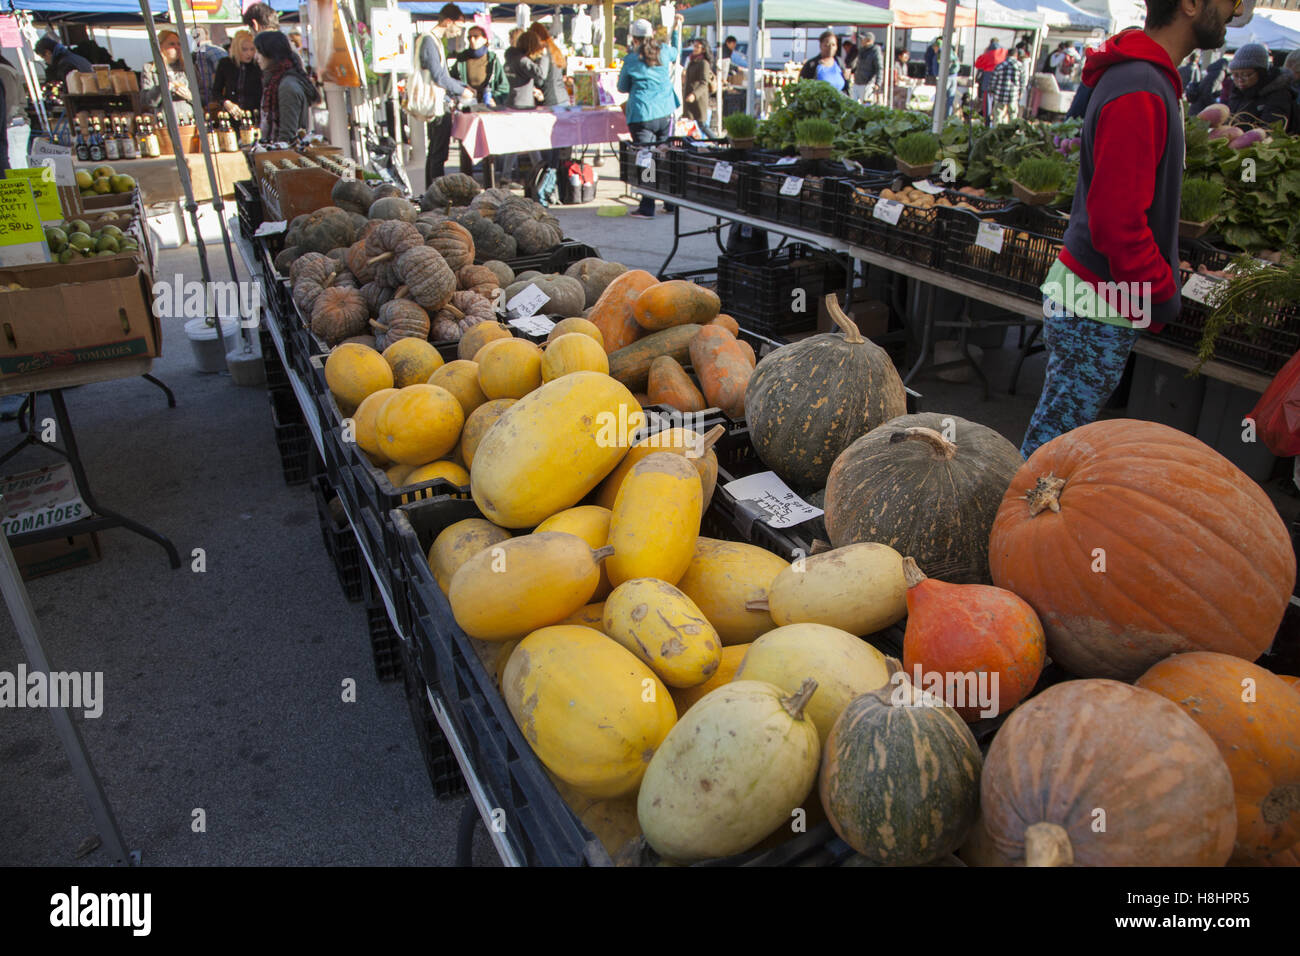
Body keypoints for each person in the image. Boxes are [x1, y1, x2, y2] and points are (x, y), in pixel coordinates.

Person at [1022, 0, 1247, 458]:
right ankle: (1007, 527)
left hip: (1097, 293)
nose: (1234, 10)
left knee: (1057, 437)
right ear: (1189, 4)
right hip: (1097, 298)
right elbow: (1116, 220)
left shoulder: (1144, 77)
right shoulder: (1140, 84)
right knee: (1051, 449)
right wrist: (1162, 290)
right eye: (1229, 2)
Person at [619, 16, 682, 219]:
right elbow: (677, 51)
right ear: (651, 34)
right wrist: (675, 30)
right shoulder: (663, 51)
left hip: (642, 113)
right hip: (665, 111)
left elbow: (622, 87)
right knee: (665, 155)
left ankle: (647, 206)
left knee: (646, 158)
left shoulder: (631, 59)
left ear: (635, 39)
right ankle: (670, 203)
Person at [418, 5, 473, 187]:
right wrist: (461, 90)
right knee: (438, 153)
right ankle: (435, 194)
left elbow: (443, 76)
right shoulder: (429, 41)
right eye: (457, 27)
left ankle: (433, 192)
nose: (457, 33)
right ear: (448, 22)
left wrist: (463, 86)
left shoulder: (434, 41)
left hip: (439, 102)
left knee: (437, 151)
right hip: (435, 104)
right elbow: (439, 76)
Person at [254, 29, 320, 142]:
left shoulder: (287, 86)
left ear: (271, 53)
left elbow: (288, 135)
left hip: (287, 155)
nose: (256, 57)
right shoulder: (276, 80)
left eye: (259, 52)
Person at [1226, 43, 1294, 130]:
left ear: (1261, 73)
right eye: (1235, 75)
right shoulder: (1237, 93)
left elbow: (1270, 131)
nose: (1240, 80)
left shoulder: (1278, 96)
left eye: (1246, 74)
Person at [141, 30, 195, 125]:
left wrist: (191, 97)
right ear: (160, 47)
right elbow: (148, 101)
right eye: (172, 44)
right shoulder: (150, 68)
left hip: (189, 120)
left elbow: (205, 95)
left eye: (179, 44)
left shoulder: (188, 67)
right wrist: (162, 87)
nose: (177, 47)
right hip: (165, 122)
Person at [451, 25, 508, 106]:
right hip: (467, 104)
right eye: (469, 37)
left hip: (487, 106)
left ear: (485, 39)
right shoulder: (461, 59)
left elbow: (504, 86)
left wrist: (495, 99)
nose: (472, 40)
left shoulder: (492, 59)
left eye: (476, 36)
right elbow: (452, 80)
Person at [212, 29, 263, 119]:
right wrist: (226, 102)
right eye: (244, 50)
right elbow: (216, 91)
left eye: (252, 49)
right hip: (232, 115)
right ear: (237, 49)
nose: (249, 53)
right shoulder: (226, 64)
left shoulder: (258, 66)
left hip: (255, 116)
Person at [504, 28, 546, 109]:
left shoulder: (510, 58)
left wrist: (531, 89)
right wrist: (545, 55)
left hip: (510, 102)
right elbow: (541, 74)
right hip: (523, 105)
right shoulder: (522, 60)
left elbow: (517, 78)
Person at [530, 21, 569, 107]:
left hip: (550, 100)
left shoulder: (543, 53)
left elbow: (540, 78)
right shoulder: (555, 50)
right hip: (563, 98)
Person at [189, 25, 227, 110]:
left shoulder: (203, 51)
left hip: (213, 99)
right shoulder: (219, 49)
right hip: (219, 98)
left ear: (206, 35)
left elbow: (221, 76)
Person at [990, 44, 1028, 124]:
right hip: (1013, 95)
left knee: (998, 116)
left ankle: (996, 132)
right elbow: (1023, 81)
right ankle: (1011, 133)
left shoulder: (1000, 65)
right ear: (1016, 55)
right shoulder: (1020, 66)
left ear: (1007, 54)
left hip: (1000, 94)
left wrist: (992, 90)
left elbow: (993, 79)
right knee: (1013, 116)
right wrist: (1021, 92)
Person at [974, 38, 1007, 120]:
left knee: (987, 103)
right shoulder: (1005, 53)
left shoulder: (987, 53)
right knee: (999, 104)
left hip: (988, 80)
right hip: (1000, 81)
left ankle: (987, 122)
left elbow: (977, 64)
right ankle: (997, 121)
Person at [683, 38, 715, 123]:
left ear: (703, 49)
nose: (694, 49)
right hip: (689, 99)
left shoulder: (704, 63)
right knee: (690, 128)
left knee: (701, 126)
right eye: (694, 46)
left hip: (698, 100)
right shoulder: (692, 61)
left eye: (697, 47)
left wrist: (694, 95)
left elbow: (704, 83)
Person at [852, 31, 882, 103]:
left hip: (868, 84)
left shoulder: (875, 50)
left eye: (863, 39)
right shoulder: (861, 50)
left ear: (869, 40)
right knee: (853, 105)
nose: (861, 41)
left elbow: (879, 67)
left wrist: (878, 83)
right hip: (857, 82)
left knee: (866, 106)